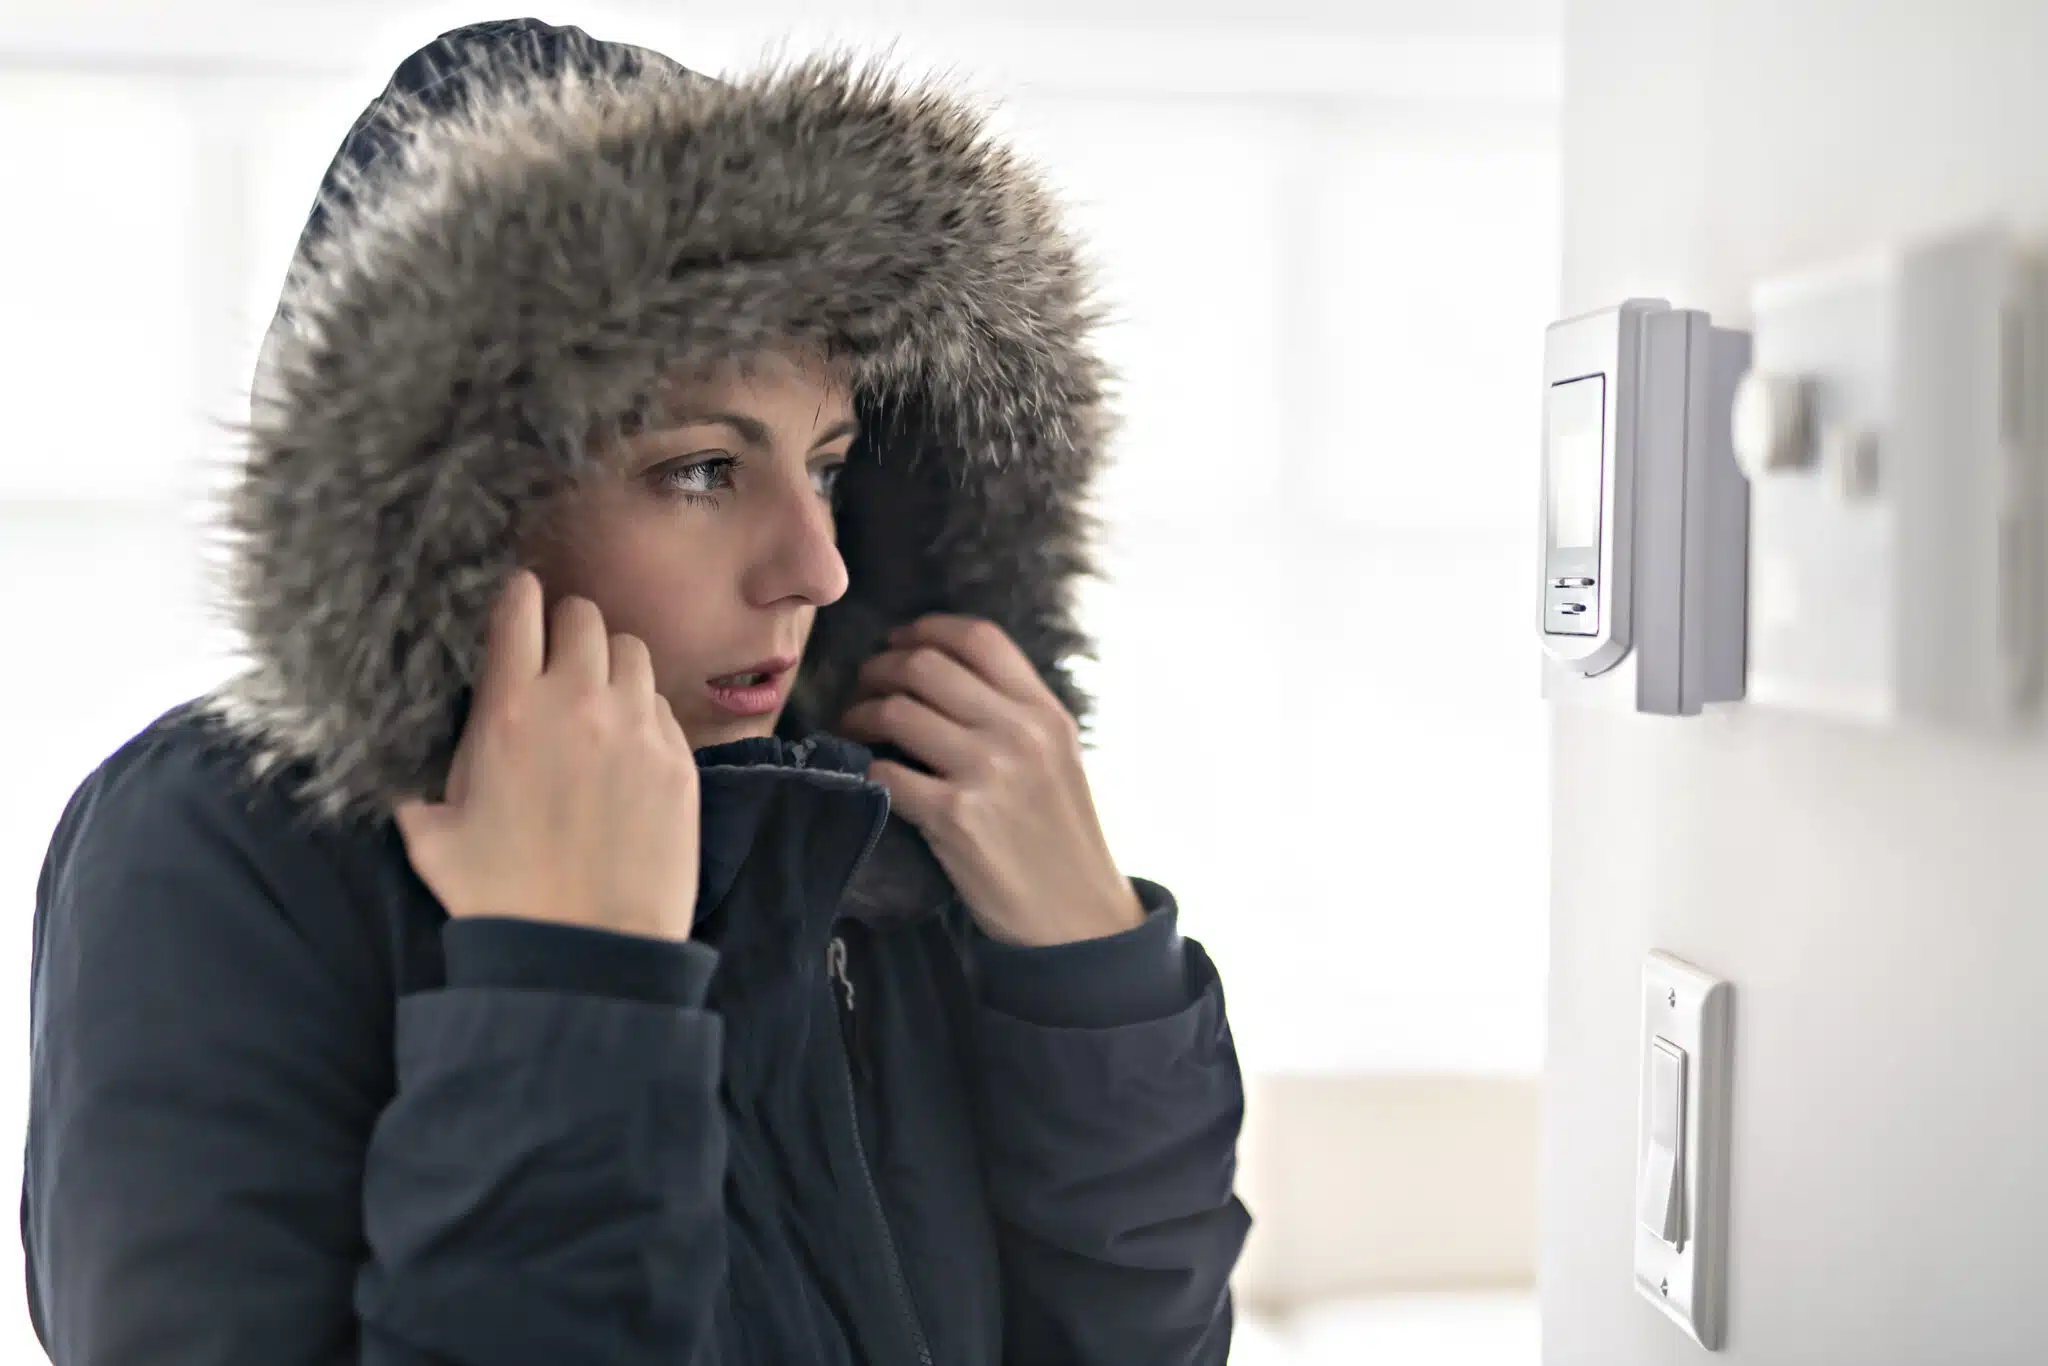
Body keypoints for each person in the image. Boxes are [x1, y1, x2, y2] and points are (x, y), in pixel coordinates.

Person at [20, 16, 1250, 1366]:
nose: (819, 567)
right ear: (460, 496)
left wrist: (1091, 977)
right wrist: (568, 989)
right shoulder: (220, 849)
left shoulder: (875, 840)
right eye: (705, 470)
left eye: (829, 465)